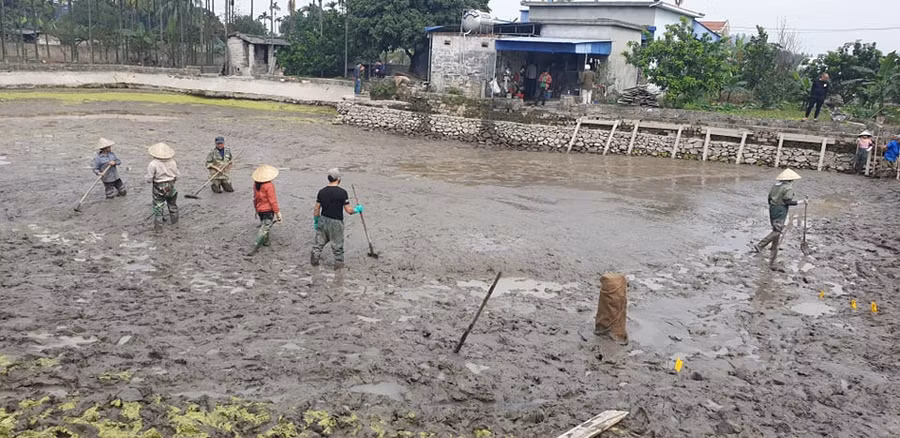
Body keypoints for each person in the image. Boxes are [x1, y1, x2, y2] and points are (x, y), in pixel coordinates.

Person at [310, 168, 364, 270]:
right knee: (338, 247)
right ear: (338, 179)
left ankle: (314, 263)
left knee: (318, 244)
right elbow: (349, 210)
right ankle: (339, 269)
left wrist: (316, 221)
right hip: (336, 223)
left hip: (323, 220)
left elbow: (316, 208)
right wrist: (357, 209)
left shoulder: (321, 192)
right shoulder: (342, 193)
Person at [753, 169, 807, 266]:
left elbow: (769, 198)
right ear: (791, 180)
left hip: (772, 208)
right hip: (781, 209)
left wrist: (773, 205)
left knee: (775, 228)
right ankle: (760, 245)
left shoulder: (775, 185)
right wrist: (801, 202)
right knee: (778, 230)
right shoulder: (788, 188)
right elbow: (787, 201)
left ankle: (774, 248)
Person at [145, 143, 179, 232]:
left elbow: (149, 178)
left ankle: (158, 229)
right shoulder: (173, 162)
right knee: (173, 205)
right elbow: (177, 175)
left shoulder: (153, 164)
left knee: (158, 208)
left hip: (158, 187)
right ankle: (175, 225)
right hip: (171, 185)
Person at [250, 164, 282, 255]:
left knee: (265, 226)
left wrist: (256, 209)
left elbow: (255, 198)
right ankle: (255, 246)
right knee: (264, 228)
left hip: (260, 209)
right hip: (268, 210)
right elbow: (273, 201)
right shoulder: (269, 185)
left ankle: (266, 242)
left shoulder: (256, 185)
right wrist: (278, 213)